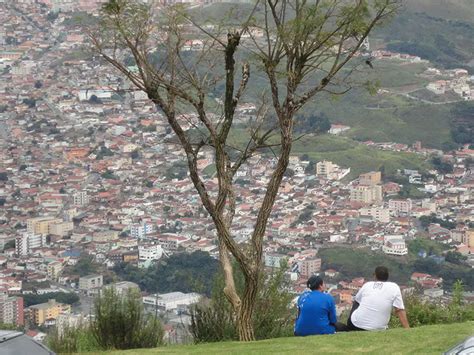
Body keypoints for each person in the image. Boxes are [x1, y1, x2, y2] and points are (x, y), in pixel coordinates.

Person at [347, 266, 410, 331]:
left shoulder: (367, 285)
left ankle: (350, 326)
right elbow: (399, 310)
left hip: (355, 325)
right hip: (378, 328)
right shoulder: (394, 287)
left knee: (357, 301)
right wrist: (407, 329)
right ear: (388, 276)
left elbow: (357, 300)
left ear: (375, 275)